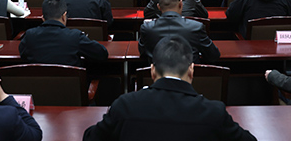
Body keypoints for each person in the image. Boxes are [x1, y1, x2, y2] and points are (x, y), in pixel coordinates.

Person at [84, 36, 256, 141]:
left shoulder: (124, 106)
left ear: (152, 71)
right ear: (191, 70)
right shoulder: (214, 112)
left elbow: (90, 137)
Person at [139, 0, 220, 63]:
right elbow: (213, 55)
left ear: (158, 7)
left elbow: (142, 53)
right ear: (181, 4)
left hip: (158, 72)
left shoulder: (146, 28)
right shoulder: (196, 27)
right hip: (188, 72)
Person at [19, 0, 107, 66]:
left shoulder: (30, 35)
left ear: (42, 18)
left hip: (37, 83)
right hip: (70, 84)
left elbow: (23, 55)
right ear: (64, 16)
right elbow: (102, 53)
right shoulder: (75, 36)